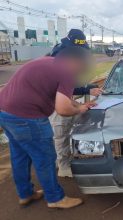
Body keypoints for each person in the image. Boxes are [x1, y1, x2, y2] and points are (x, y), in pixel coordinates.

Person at [0, 46, 95, 209]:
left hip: (5, 113)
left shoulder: (48, 62)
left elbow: (62, 98)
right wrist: (79, 109)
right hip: (28, 117)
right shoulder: (66, 72)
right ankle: (55, 198)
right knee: (44, 157)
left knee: (20, 156)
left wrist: (80, 105)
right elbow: (63, 109)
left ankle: (25, 194)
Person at [48, 29, 103, 178]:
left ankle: (60, 160)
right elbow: (63, 88)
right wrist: (85, 93)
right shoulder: (58, 59)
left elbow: (69, 86)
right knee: (60, 132)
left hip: (59, 97)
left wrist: (86, 90)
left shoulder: (64, 56)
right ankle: (63, 167)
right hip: (54, 101)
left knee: (67, 130)